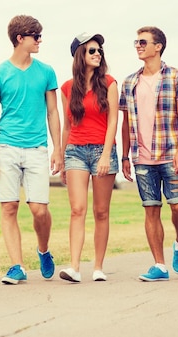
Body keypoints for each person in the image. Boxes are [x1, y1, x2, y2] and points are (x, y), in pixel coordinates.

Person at [0, 15, 62, 285]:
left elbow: (53, 111)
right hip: (6, 147)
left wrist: (57, 148)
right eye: (35, 36)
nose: (40, 40)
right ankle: (16, 266)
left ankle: (43, 250)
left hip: (37, 148)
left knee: (39, 210)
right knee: (9, 207)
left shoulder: (46, 72)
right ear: (20, 38)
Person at [119, 26, 178, 282]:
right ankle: (159, 265)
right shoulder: (129, 82)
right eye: (136, 42)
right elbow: (126, 122)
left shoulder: (177, 77)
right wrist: (125, 156)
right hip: (142, 158)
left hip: (172, 153)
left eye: (142, 42)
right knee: (151, 209)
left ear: (158, 46)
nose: (138, 46)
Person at [58, 32, 119, 283]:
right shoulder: (67, 87)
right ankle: (74, 267)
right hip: (76, 152)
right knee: (77, 209)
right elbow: (67, 126)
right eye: (91, 50)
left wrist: (106, 154)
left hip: (102, 150)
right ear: (79, 55)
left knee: (101, 211)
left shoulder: (110, 82)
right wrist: (62, 159)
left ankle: (98, 267)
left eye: (99, 50)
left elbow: (114, 120)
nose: (97, 54)